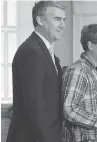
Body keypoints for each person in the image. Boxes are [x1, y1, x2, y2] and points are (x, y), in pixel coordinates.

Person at [6, 1, 66, 142]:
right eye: (57, 19)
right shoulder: (31, 52)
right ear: (40, 20)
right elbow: (36, 108)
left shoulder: (45, 51)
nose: (63, 25)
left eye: (64, 20)